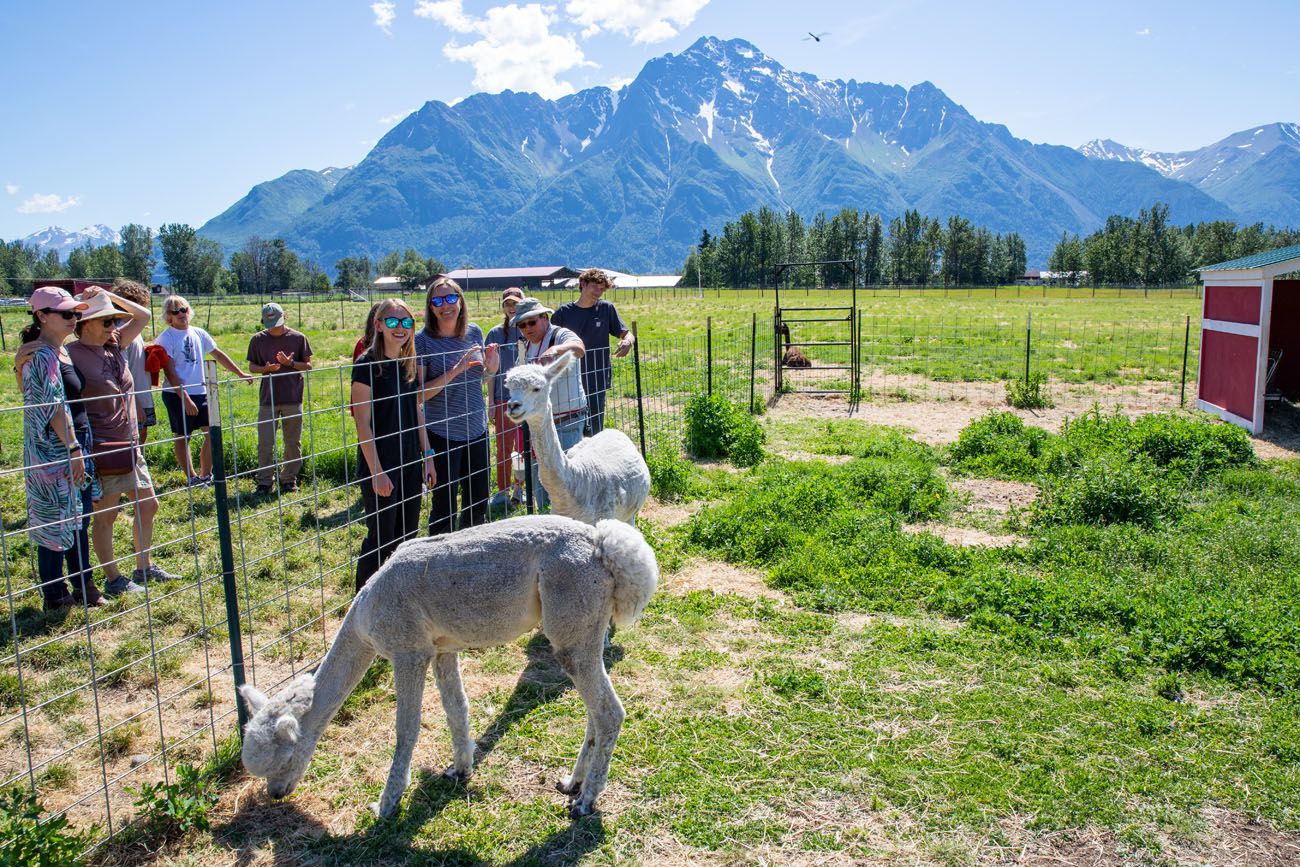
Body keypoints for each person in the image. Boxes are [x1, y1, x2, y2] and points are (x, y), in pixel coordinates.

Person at [67, 290, 181, 594]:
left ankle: (144, 567)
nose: (112, 326)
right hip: (102, 447)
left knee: (148, 505)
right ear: (85, 323)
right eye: (106, 320)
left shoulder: (115, 344)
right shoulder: (71, 354)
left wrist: (107, 294)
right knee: (106, 514)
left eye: (114, 320)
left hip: (130, 443)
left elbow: (141, 316)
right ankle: (114, 578)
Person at [18, 286, 102, 609]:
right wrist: (72, 448)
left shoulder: (59, 351)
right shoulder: (38, 355)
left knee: (77, 518)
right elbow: (50, 406)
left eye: (75, 313)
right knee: (54, 521)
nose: (73, 319)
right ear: (41, 316)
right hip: (55, 454)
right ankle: (55, 595)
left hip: (70, 446)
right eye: (66, 314)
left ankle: (80, 585)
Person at [351, 298, 437, 591]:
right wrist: (376, 471)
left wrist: (428, 456)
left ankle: (397, 597)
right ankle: (363, 600)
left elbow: (417, 412)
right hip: (381, 464)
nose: (400, 328)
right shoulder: (366, 366)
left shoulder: (406, 364)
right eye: (392, 322)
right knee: (381, 538)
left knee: (408, 535)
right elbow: (362, 423)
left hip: (410, 461)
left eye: (406, 322)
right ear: (378, 325)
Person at [415, 278, 498, 535]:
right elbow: (419, 395)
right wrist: (456, 370)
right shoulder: (423, 341)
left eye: (450, 298)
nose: (445, 305)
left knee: (478, 500)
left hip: (476, 430)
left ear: (461, 301)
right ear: (430, 307)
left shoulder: (474, 332)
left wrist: (492, 367)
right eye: (437, 301)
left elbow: (483, 376)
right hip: (442, 434)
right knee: (444, 506)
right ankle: (440, 560)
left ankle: (470, 555)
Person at [154, 295, 253, 485]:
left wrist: (240, 373)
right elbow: (170, 373)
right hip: (177, 394)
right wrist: (185, 399)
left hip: (201, 392)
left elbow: (218, 354)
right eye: (176, 311)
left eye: (184, 309)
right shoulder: (165, 339)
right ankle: (191, 477)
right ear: (168, 317)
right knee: (184, 436)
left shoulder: (199, 333)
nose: (181, 314)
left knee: (212, 433)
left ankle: (206, 474)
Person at [511, 296, 585, 510]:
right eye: (522, 325)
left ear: (545, 318)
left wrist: (557, 350)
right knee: (543, 481)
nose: (526, 328)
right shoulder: (525, 348)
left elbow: (579, 347)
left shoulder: (559, 335)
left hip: (567, 420)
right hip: (540, 426)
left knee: (567, 484)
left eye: (531, 322)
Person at [551, 268, 633, 435]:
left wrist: (628, 342)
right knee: (570, 425)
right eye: (595, 287)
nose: (599, 292)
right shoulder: (563, 313)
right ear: (582, 284)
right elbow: (550, 342)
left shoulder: (606, 309)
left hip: (596, 376)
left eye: (602, 289)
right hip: (568, 377)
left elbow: (626, 333)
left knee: (595, 425)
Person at [246, 303, 314, 494]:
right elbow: (252, 367)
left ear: (285, 316)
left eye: (277, 321)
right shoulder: (257, 340)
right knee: (265, 442)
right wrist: (265, 369)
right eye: (270, 323)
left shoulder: (299, 338)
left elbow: (308, 366)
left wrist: (290, 363)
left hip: (293, 398)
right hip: (268, 399)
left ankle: (288, 479)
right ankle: (265, 481)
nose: (274, 326)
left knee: (293, 442)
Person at [485, 287, 525, 502]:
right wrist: (491, 401)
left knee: (523, 446)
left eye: (516, 303)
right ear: (503, 307)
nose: (512, 308)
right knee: (503, 446)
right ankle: (502, 490)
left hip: (525, 400)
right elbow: (490, 372)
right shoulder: (495, 334)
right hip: (503, 398)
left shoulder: (530, 329)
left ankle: (520, 487)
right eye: (508, 304)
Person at [108, 279, 158, 443]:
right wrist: (134, 401)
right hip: (133, 396)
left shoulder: (131, 327)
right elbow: (121, 368)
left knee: (140, 436)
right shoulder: (121, 328)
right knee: (134, 438)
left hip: (141, 391)